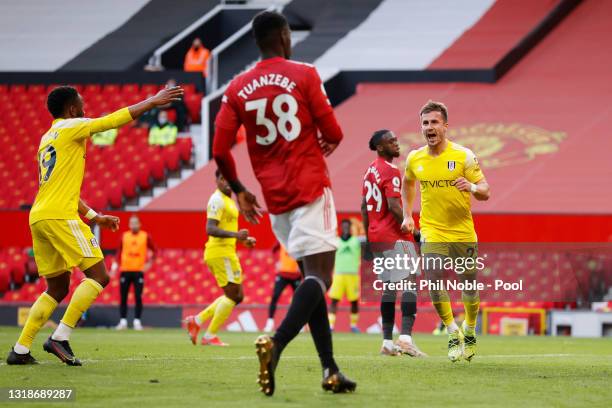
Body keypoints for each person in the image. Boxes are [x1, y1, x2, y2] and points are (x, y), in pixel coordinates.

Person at [212, 10, 356, 396]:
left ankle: (330, 370)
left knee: (312, 278)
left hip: (274, 199)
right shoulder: (304, 73)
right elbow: (334, 131)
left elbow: (219, 149)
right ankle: (275, 345)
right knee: (320, 279)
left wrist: (240, 188)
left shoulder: (236, 87)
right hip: (310, 187)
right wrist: (329, 140)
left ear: (258, 42)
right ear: (285, 36)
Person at [6, 84, 183, 365]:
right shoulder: (71, 126)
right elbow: (110, 121)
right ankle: (59, 337)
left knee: (56, 288)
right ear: (72, 109)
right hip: (59, 216)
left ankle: (21, 349)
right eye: (82, 103)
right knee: (99, 276)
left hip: (39, 216)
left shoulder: (46, 138)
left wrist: (94, 217)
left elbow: (63, 188)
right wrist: (152, 101)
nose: (86, 108)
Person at [402, 101, 490, 362]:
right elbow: (408, 183)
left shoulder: (463, 155)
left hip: (462, 230)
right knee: (433, 277)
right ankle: (452, 331)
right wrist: (408, 214)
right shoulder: (414, 158)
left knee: (469, 284)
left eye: (434, 122)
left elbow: (486, 190)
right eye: (425, 123)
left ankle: (470, 329)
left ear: (445, 126)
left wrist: (472, 188)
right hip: (432, 229)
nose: (429, 127)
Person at [362, 129, 425, 358]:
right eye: (391, 141)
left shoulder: (369, 171)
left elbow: (363, 206)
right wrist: (415, 232)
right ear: (380, 147)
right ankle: (406, 339)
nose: (397, 144)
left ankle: (387, 342)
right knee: (409, 284)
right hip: (395, 236)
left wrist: (369, 239)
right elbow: (394, 206)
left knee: (389, 288)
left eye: (397, 140)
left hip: (377, 237)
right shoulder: (390, 170)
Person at [184, 170, 256, 346]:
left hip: (227, 251)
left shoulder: (229, 201)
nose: (225, 182)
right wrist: (237, 235)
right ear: (216, 181)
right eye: (221, 178)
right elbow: (210, 229)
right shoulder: (216, 199)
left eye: (227, 178)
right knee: (233, 295)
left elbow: (225, 229)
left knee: (236, 295)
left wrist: (243, 240)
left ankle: (197, 321)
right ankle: (208, 334)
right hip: (219, 252)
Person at [112, 214, 156, 331]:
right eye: (132, 223)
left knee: (138, 297)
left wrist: (149, 264)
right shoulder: (124, 236)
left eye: (136, 223)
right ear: (129, 224)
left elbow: (154, 251)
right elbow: (118, 253)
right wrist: (114, 268)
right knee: (123, 297)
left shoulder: (145, 236)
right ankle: (123, 321)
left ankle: (137, 321)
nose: (134, 225)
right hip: (125, 270)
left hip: (138, 271)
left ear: (140, 224)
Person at [328, 219, 361, 333]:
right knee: (334, 300)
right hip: (339, 275)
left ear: (351, 227)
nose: (346, 228)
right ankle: (330, 326)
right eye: (344, 226)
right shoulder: (336, 241)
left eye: (348, 226)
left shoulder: (356, 241)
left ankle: (353, 325)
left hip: (352, 275)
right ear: (341, 228)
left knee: (354, 301)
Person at [263, 244, 301, 333]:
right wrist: (276, 262)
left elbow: (306, 252)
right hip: (282, 274)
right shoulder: (281, 236)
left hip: (295, 275)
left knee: (299, 299)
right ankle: (270, 322)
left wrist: (301, 265)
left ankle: (299, 323)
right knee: (275, 296)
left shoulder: (298, 237)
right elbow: (273, 250)